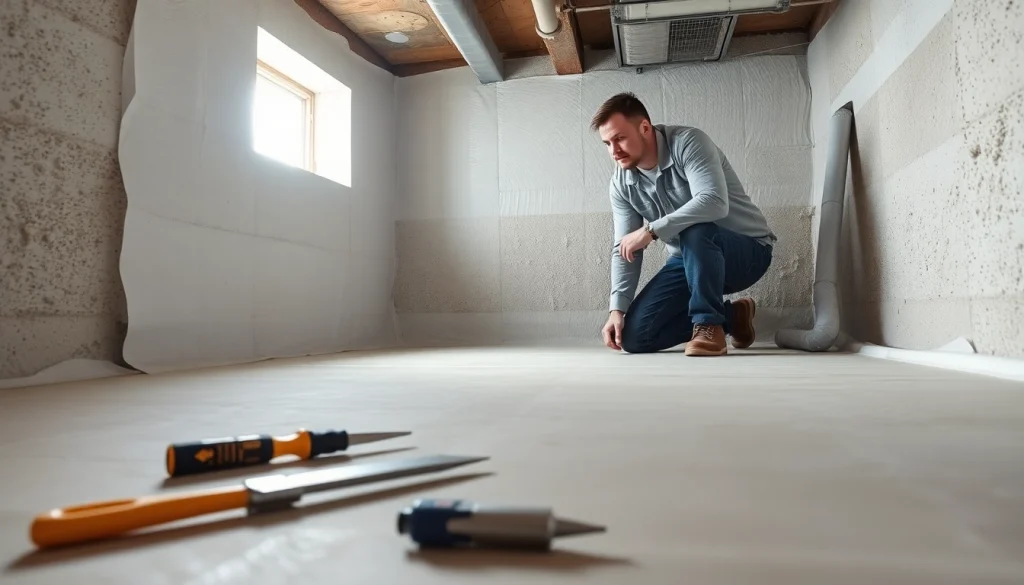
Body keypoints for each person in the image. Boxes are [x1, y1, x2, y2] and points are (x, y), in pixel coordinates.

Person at [592, 92, 776, 357]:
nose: (613, 151)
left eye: (619, 138)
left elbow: (713, 202)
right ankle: (732, 317)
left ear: (644, 128)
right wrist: (617, 310)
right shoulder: (621, 183)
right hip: (688, 260)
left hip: (747, 252)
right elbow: (625, 248)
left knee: (695, 227)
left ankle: (709, 325)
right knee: (634, 337)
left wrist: (651, 230)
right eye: (607, 143)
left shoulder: (688, 142)